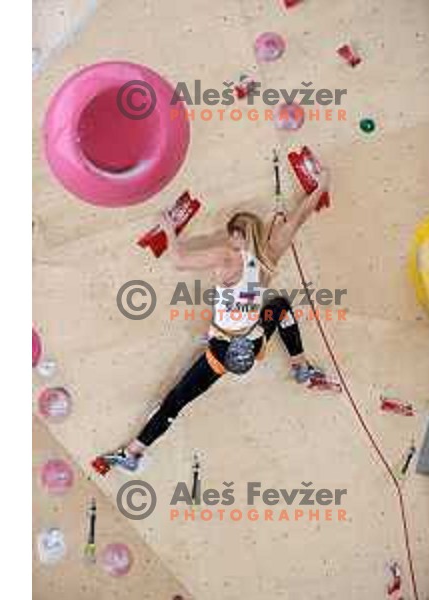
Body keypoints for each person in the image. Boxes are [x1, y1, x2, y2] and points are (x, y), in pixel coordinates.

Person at [103, 167, 339, 472]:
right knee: (279, 306)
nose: (228, 240)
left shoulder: (228, 256)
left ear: (239, 235)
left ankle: (133, 453)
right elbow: (299, 217)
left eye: (230, 235)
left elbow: (178, 261)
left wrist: (169, 229)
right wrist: (321, 187)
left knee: (177, 399)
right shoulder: (270, 254)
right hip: (251, 344)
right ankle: (301, 367)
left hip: (222, 351)